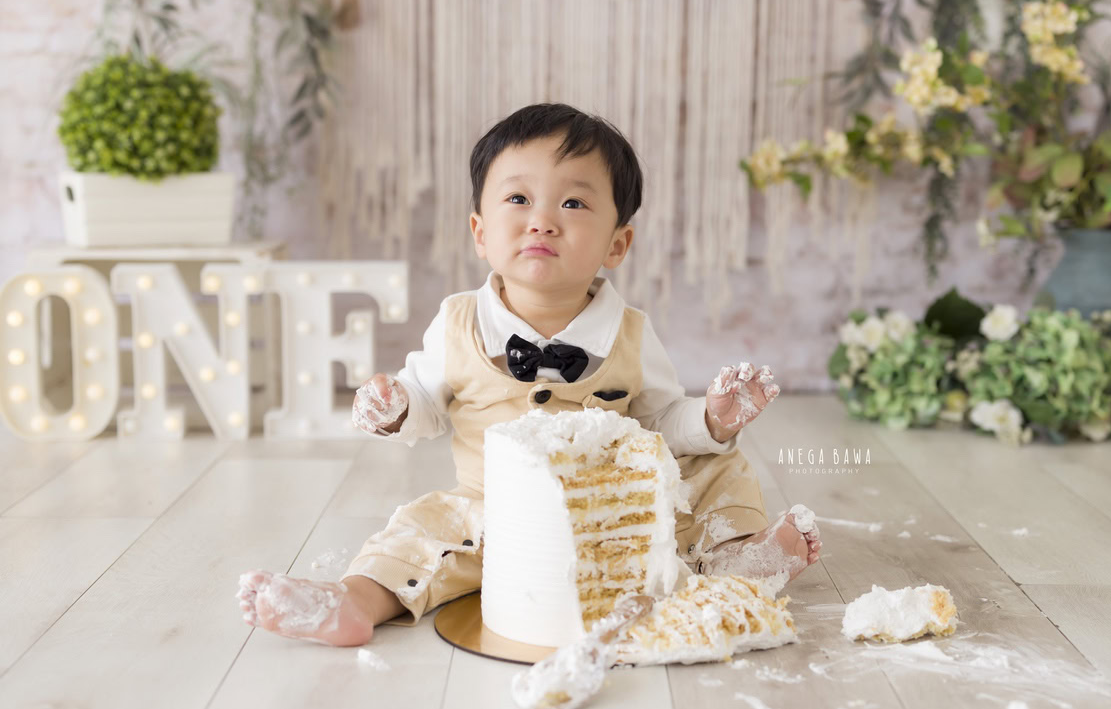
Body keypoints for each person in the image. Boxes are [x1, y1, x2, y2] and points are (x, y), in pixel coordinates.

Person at [236, 103, 821, 647]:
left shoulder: (632, 333)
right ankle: (352, 602)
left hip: (617, 516)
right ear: (481, 231)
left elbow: (664, 422)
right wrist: (396, 406)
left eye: (573, 204)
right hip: (493, 514)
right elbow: (425, 400)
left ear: (617, 244)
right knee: (423, 532)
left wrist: (714, 420)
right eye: (518, 199)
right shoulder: (458, 322)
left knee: (719, 465)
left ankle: (741, 556)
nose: (542, 221)